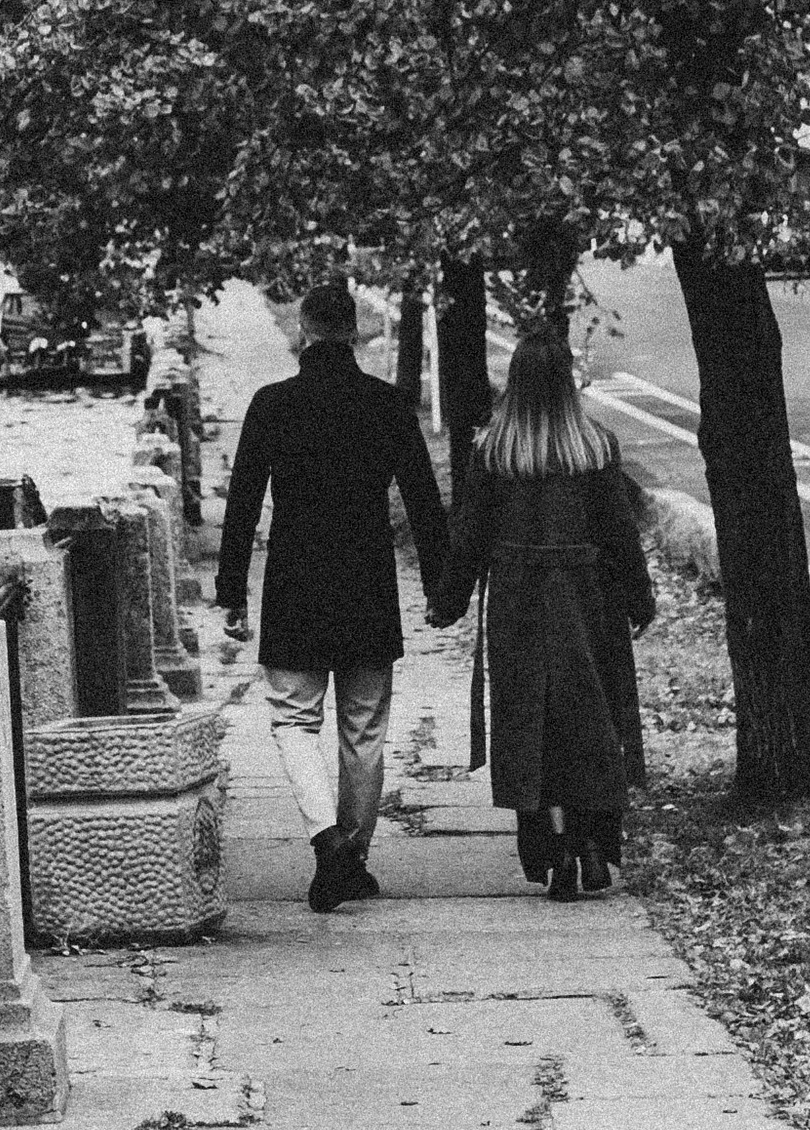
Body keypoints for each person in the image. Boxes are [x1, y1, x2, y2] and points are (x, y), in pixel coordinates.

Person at [215, 274, 451, 912]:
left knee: (293, 718)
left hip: (295, 580)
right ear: (354, 332)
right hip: (367, 581)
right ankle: (354, 851)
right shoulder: (388, 404)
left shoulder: (271, 404)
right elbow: (424, 501)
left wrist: (231, 590)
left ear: (303, 333)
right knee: (364, 726)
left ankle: (326, 839)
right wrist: (441, 586)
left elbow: (242, 503)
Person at [428, 326, 655, 901]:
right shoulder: (595, 447)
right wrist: (638, 594)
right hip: (588, 598)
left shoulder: (494, 451)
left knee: (530, 723)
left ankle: (550, 850)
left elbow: (469, 538)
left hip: (518, 602)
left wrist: (449, 601)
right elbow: (619, 532)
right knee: (588, 719)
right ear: (566, 384)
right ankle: (591, 840)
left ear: (516, 383)